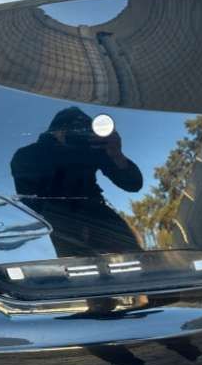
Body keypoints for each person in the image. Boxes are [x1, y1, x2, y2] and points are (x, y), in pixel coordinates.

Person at [10, 106, 143, 257]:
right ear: (55, 131)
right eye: (72, 130)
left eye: (83, 130)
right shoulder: (29, 154)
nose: (78, 135)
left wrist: (116, 155)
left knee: (137, 258)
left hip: (98, 213)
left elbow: (133, 184)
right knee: (74, 266)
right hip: (58, 221)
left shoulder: (90, 149)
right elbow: (27, 199)